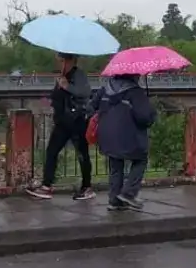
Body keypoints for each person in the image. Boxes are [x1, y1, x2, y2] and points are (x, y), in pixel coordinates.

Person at [27, 53, 94, 201]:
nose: (60, 63)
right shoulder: (62, 76)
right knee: (52, 151)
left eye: (62, 60)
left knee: (82, 154)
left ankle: (87, 187)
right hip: (63, 122)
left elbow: (85, 93)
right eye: (60, 60)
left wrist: (66, 86)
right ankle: (46, 186)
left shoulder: (79, 75)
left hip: (77, 121)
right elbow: (57, 97)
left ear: (71, 60)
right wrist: (51, 98)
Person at [91, 73, 156, 211]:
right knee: (141, 159)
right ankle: (129, 193)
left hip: (107, 134)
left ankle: (114, 200)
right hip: (129, 135)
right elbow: (144, 118)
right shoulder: (135, 92)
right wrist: (151, 112)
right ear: (133, 75)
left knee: (115, 164)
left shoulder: (104, 89)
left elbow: (92, 106)